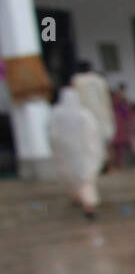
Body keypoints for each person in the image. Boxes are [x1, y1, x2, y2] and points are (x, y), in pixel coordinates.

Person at [48, 85, 106, 219]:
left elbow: (53, 135)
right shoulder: (84, 114)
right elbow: (94, 135)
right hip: (84, 153)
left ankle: (81, 201)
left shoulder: (56, 114)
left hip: (67, 154)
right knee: (86, 180)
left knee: (73, 178)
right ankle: (88, 204)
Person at [70, 61, 114, 169]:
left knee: (88, 141)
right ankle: (106, 165)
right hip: (100, 114)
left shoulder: (76, 80)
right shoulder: (99, 80)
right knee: (102, 140)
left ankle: (94, 166)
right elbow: (106, 99)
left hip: (84, 115)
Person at [109, 82, 132, 169]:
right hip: (115, 124)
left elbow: (127, 114)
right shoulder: (117, 104)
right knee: (114, 145)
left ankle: (118, 163)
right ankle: (114, 164)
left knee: (119, 146)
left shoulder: (120, 104)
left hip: (119, 125)